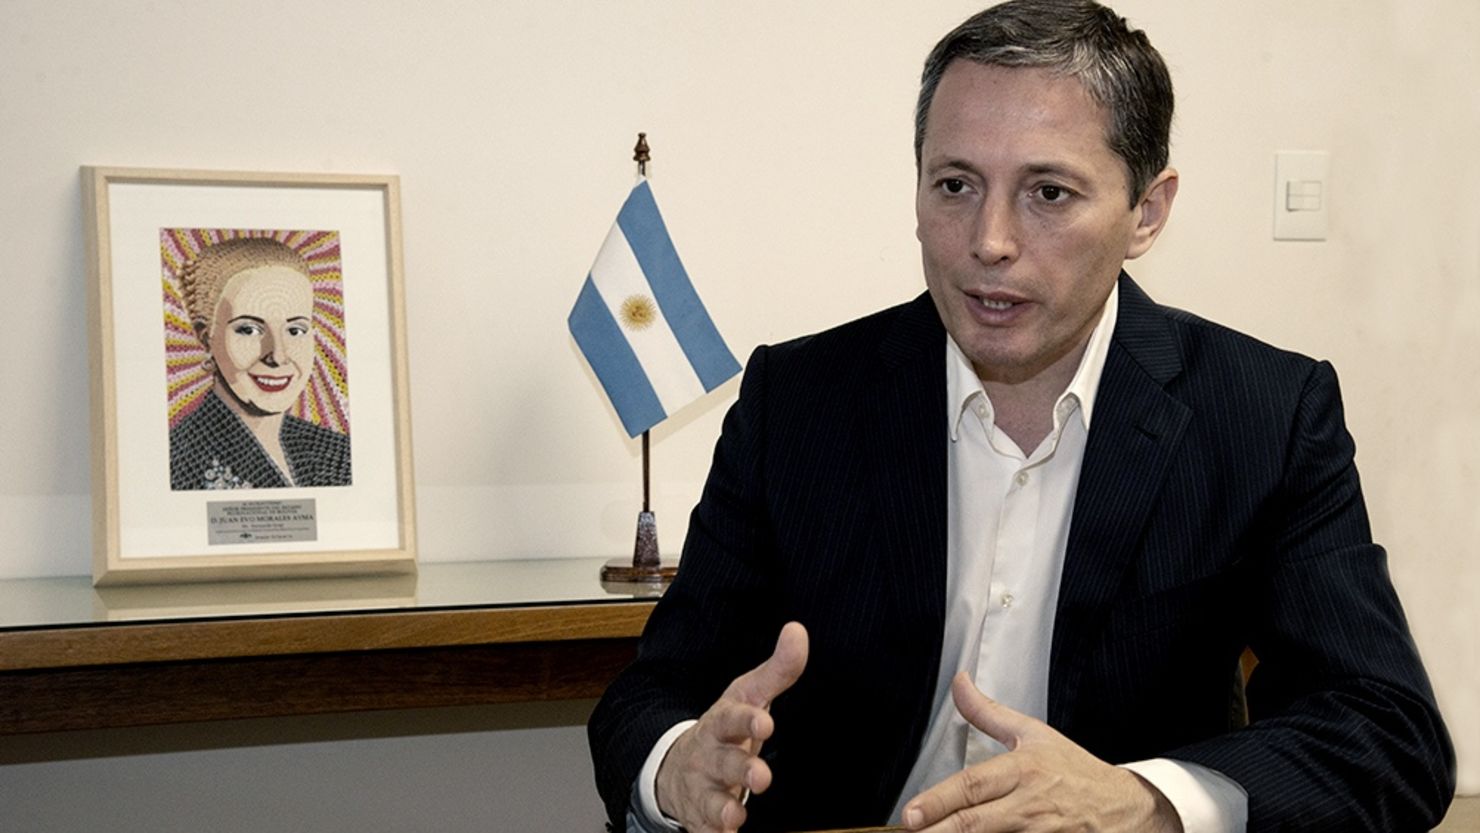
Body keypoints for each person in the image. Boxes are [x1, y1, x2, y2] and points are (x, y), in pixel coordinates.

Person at [588, 1, 1456, 831]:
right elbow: (650, 695)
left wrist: (1144, 804)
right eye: (956, 184)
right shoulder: (798, 401)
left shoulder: (1264, 414)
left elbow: (1387, 734)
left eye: (1048, 193)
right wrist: (676, 768)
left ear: (1146, 212)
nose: (989, 240)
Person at [169, 236, 352, 490]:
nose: (278, 355)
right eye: (249, 330)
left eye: (295, 330)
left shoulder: (339, 453)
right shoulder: (179, 463)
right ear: (206, 337)